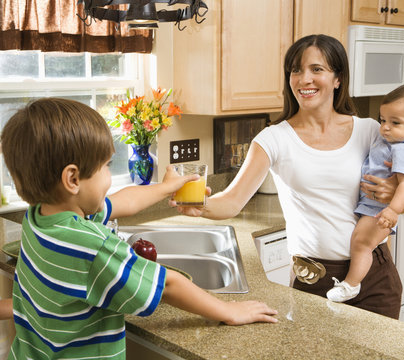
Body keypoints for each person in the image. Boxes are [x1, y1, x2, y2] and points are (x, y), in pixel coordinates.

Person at [0, 98, 278, 359]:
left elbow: (122, 201)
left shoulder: (38, 218)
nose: (109, 177)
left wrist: (165, 188)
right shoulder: (94, 247)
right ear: (73, 179)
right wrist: (227, 311)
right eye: (106, 167)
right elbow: (166, 284)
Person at [171, 34, 404, 319]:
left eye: (316, 69)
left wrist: (393, 192)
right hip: (315, 278)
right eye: (296, 70)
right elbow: (232, 201)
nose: (304, 79)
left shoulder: (369, 131)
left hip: (376, 276)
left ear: (338, 79)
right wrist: (200, 206)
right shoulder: (274, 139)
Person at [327, 83, 404, 302]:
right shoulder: (401, 139)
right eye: (383, 120)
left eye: (395, 122)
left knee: (362, 243)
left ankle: (351, 285)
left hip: (378, 208)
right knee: (363, 242)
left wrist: (393, 210)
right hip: (374, 206)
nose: (385, 127)